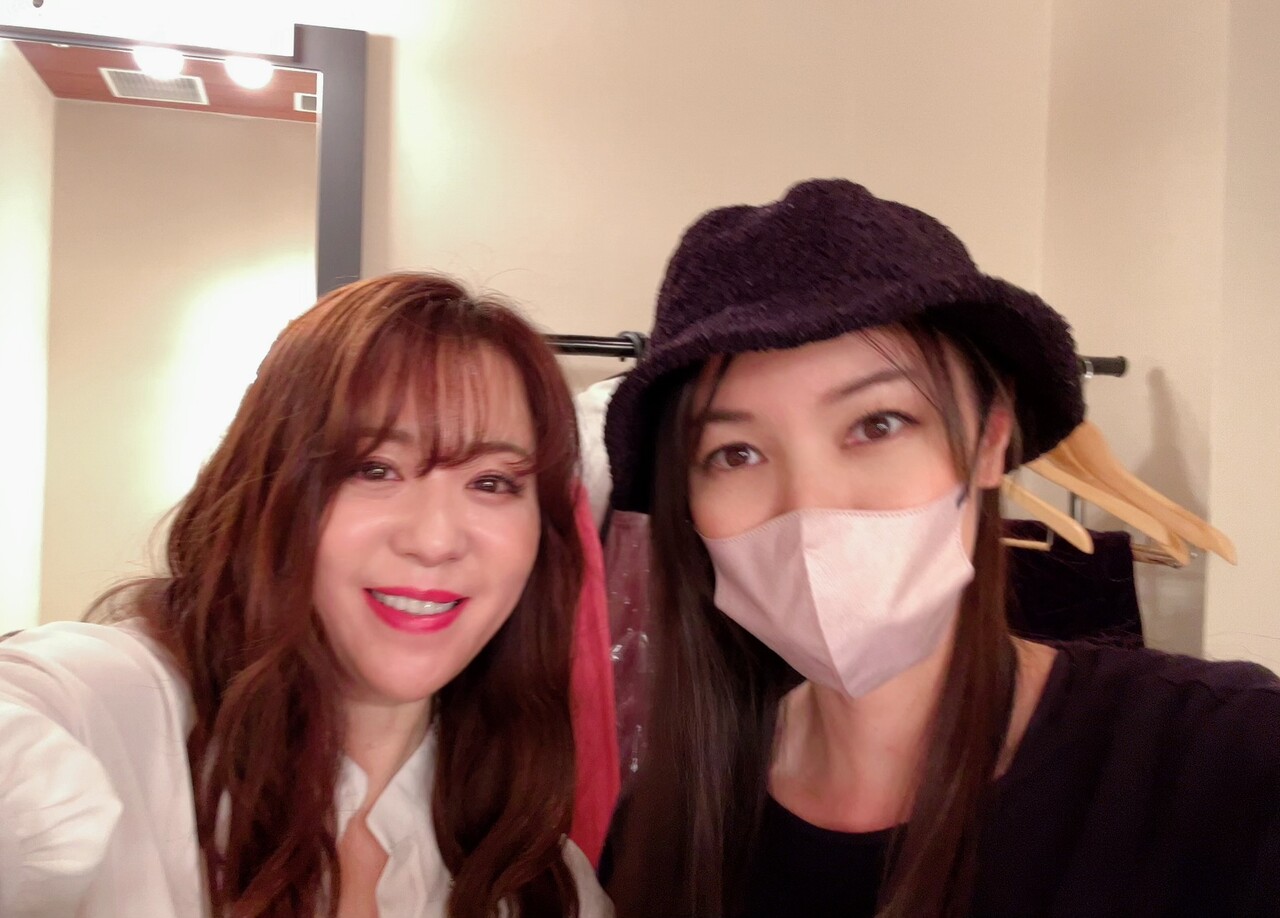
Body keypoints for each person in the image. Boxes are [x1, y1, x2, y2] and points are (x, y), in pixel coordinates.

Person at [599, 180, 1280, 917]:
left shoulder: (1228, 763)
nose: (810, 504)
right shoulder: (660, 833)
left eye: (878, 424)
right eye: (735, 453)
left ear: (989, 442)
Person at [0, 273, 613, 918]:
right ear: (274, 488)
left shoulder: (546, 886)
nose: (435, 541)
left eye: (491, 483)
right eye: (374, 469)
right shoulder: (117, 712)